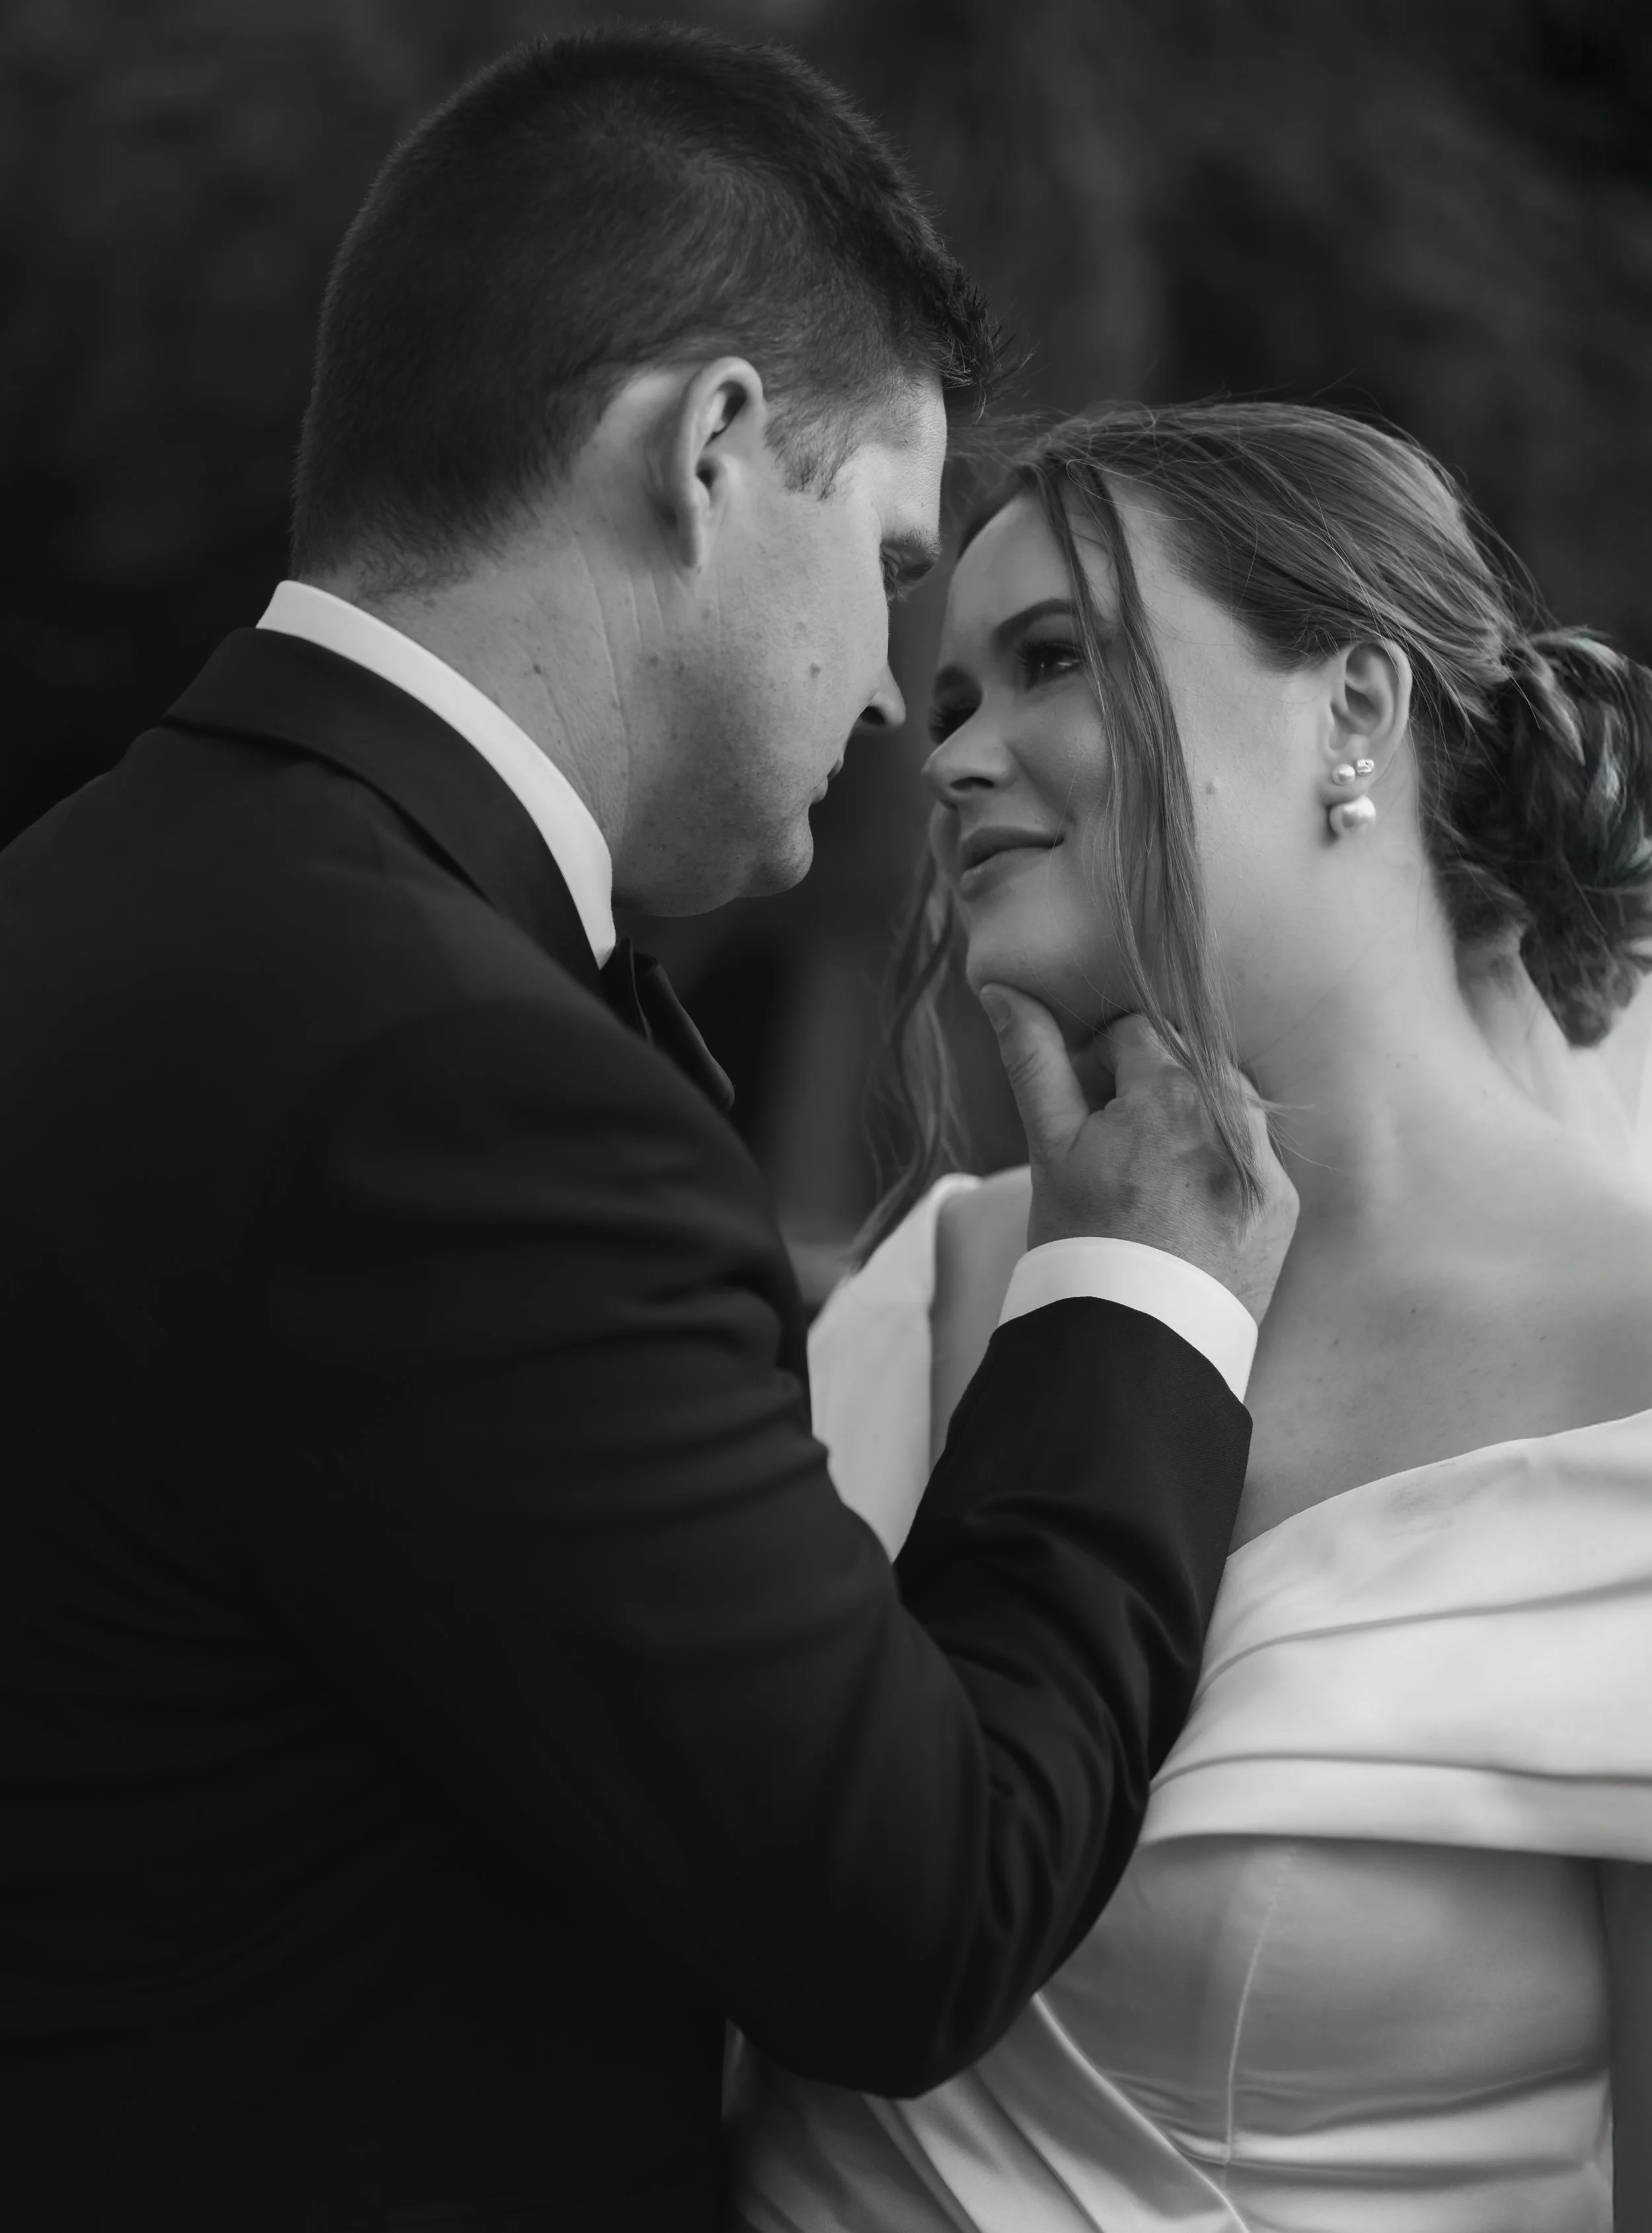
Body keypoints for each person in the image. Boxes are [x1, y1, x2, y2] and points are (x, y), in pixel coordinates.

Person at [0, 33, 1301, 2233]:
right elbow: (911, 1913)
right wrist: (1135, 1295)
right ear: (707, 450)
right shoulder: (450, 1080)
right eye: (891, 563)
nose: (902, 701)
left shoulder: (85, 896)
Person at [732, 399, 1652, 2232]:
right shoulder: (918, 1299)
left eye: (1050, 659)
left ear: (1356, 712)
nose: (955, 756)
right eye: (945, 708)